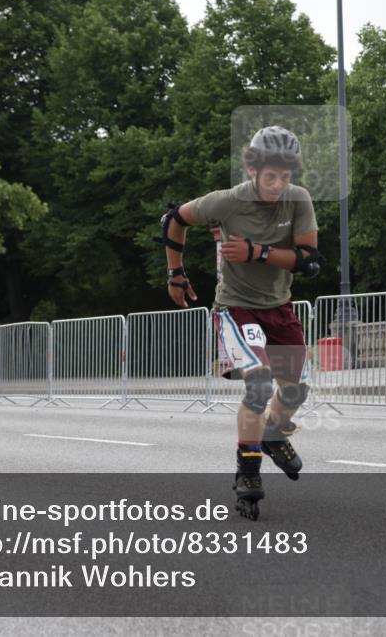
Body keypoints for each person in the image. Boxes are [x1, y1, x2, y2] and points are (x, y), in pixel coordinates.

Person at [158, 125, 321, 520]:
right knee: (260, 381)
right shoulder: (228, 202)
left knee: (295, 391)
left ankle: (273, 433)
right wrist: (176, 274)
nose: (278, 185)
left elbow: (310, 262)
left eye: (285, 176)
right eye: (270, 176)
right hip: (236, 307)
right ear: (252, 169)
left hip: (279, 306)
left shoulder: (297, 200)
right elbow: (173, 220)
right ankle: (248, 471)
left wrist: (256, 252)